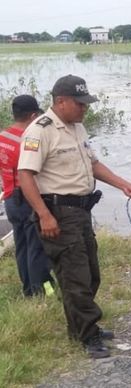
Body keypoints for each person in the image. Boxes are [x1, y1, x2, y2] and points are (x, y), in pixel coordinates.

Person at [17, 74, 131, 359]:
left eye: (86, 103)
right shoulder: (41, 130)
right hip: (58, 212)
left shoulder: (77, 127)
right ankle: (87, 336)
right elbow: (25, 175)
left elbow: (93, 163)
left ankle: (81, 327)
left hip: (81, 211)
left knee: (90, 274)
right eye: (80, 103)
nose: (85, 108)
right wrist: (44, 215)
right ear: (61, 101)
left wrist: (122, 183)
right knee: (75, 277)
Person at [1, 95, 54, 297]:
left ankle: (28, 290)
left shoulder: (3, 138)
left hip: (9, 198)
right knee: (36, 247)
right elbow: (33, 172)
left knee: (21, 246)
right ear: (33, 115)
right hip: (26, 197)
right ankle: (40, 290)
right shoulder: (26, 140)